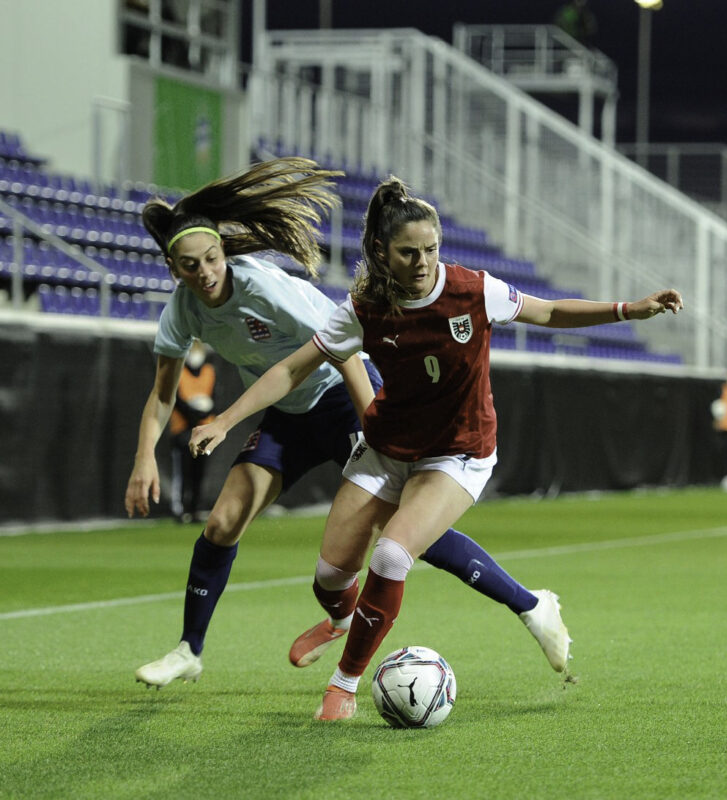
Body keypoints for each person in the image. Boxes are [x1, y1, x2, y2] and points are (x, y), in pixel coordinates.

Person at [189, 175, 684, 720]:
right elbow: (290, 368)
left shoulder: (473, 290)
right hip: (387, 448)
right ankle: (351, 621)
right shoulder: (363, 309)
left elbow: (548, 312)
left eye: (431, 249)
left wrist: (627, 310)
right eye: (409, 252)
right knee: (330, 578)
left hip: (458, 452)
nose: (423, 261)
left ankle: (344, 683)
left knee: (393, 554)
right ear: (381, 252)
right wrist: (227, 420)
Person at [126, 158, 569, 690]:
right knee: (222, 523)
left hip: (342, 397)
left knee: (400, 534)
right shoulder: (181, 311)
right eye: (191, 266)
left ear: (225, 252)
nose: (205, 273)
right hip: (289, 414)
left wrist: (375, 434)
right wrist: (143, 458)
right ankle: (190, 651)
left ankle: (529, 605)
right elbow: (161, 396)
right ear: (174, 270)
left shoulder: (264, 287)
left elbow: (344, 354)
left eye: (212, 258)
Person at [170, 339, 216, 523]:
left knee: (199, 472)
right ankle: (180, 509)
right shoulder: (179, 372)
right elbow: (177, 400)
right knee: (182, 471)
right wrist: (193, 413)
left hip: (205, 430)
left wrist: (204, 412)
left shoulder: (209, 372)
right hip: (182, 429)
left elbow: (214, 398)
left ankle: (195, 508)